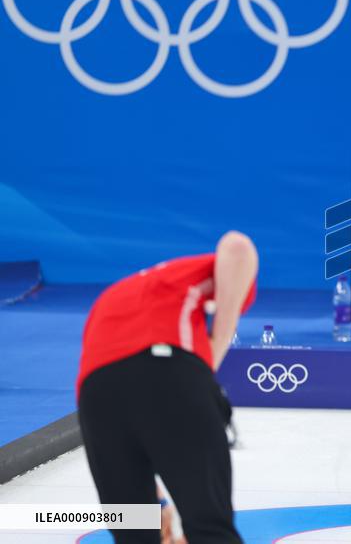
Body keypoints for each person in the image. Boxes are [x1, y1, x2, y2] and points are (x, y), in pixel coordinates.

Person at [76, 231, 259, 543]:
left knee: (135, 533)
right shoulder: (191, 277)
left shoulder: (117, 296)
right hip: (168, 369)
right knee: (209, 529)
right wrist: (217, 345)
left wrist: (157, 502)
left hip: (96, 395)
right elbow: (237, 246)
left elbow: (135, 418)